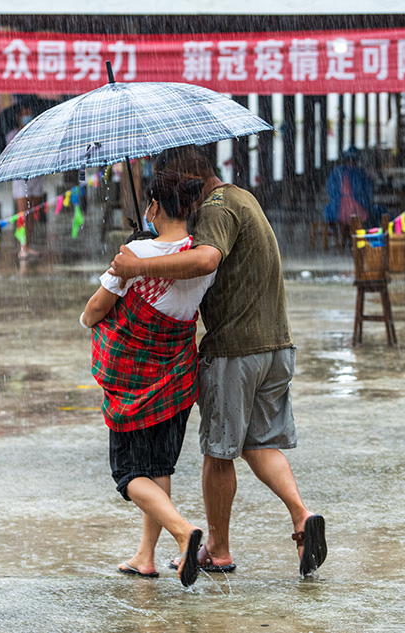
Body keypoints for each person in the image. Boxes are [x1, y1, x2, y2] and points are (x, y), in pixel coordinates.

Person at [109, 145, 327, 578]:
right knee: (257, 444)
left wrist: (138, 267)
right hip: (276, 346)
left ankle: (219, 549)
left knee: (218, 452)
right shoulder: (244, 198)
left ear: (193, 180)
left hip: (235, 351)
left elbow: (207, 259)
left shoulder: (216, 208)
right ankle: (302, 517)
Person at [81, 169, 216, 588]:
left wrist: (128, 265)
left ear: (153, 206)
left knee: (127, 473)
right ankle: (145, 556)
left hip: (135, 382)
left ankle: (182, 533)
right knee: (158, 465)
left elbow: (93, 313)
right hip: (175, 379)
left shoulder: (135, 255)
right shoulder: (199, 255)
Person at [7, 106, 45, 260]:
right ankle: (22, 246)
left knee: (32, 212)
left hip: (36, 176)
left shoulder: (39, 134)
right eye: (24, 113)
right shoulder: (13, 135)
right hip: (21, 178)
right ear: (18, 116)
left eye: (29, 112)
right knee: (23, 213)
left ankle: (28, 243)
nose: (27, 115)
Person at [323, 146, 385, 229]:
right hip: (358, 212)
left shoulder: (335, 172)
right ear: (357, 160)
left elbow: (330, 191)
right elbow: (369, 193)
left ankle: (342, 235)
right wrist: (370, 180)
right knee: (378, 214)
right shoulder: (360, 173)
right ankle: (368, 237)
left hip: (336, 212)